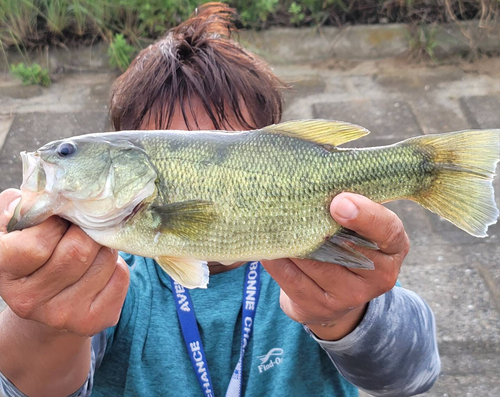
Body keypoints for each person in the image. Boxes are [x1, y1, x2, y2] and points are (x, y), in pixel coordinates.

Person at [0, 4, 440, 397]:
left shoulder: (324, 269)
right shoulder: (113, 280)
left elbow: (413, 377)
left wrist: (347, 314)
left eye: (221, 146)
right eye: (174, 143)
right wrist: (44, 318)